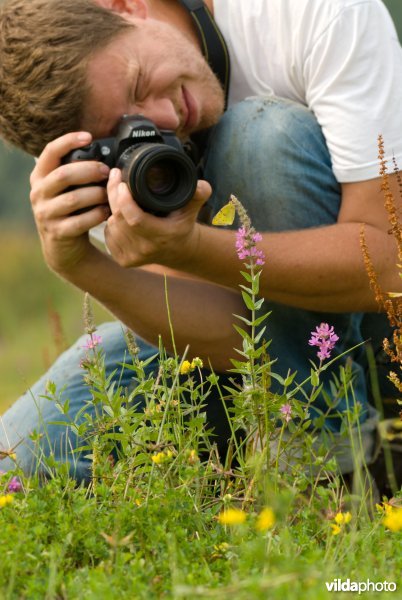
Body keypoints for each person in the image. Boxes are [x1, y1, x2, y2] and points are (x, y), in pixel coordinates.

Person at [0, 0, 401, 484]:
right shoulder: (109, 168)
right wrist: (81, 264)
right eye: (123, 133)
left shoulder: (314, 13)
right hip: (265, 369)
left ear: (126, 7)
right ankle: (227, 480)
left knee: (258, 139)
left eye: (139, 83)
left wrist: (188, 247)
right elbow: (235, 340)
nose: (165, 118)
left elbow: (390, 265)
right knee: (24, 453)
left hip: (385, 341)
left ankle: (327, 472)